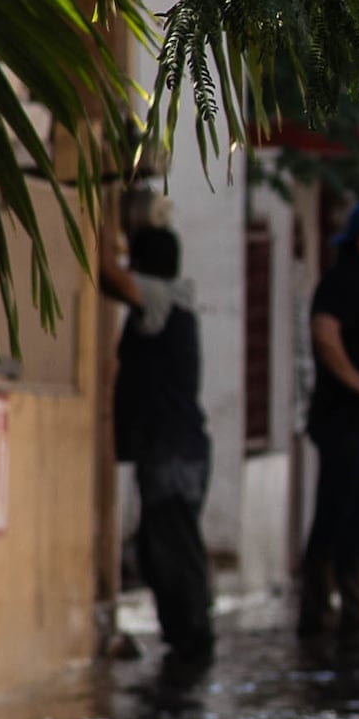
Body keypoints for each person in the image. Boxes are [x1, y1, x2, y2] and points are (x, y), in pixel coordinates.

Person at [102, 217, 215, 666]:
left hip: (173, 450)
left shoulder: (160, 296)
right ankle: (185, 638)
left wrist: (89, 223)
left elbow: (109, 277)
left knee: (172, 543)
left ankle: (193, 640)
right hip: (174, 447)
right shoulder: (175, 302)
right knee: (161, 543)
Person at [299, 196, 359, 643]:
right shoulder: (347, 281)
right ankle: (327, 616)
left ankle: (345, 615)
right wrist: (356, 380)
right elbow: (324, 328)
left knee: (354, 516)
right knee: (341, 518)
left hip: (357, 423)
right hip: (344, 422)